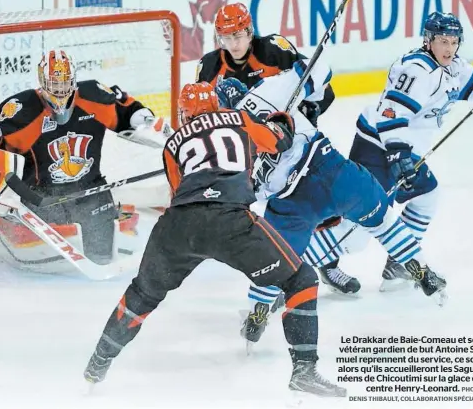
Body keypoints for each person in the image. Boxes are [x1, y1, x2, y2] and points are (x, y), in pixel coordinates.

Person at [83, 82, 346, 397]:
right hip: (230, 222)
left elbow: (178, 190)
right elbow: (280, 142)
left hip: (179, 227)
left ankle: (97, 364)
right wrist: (280, 122)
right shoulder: (239, 119)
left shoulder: (173, 145)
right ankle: (304, 371)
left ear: (185, 113)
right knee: (300, 279)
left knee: (142, 294)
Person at [214, 61, 447, 345]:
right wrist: (306, 99)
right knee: (382, 219)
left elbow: (251, 194)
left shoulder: (227, 146)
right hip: (330, 170)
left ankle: (256, 315)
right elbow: (321, 72)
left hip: (291, 203)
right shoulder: (270, 88)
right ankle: (421, 269)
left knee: (273, 259)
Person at [307, 11, 473, 289]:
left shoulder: (454, 66)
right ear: (428, 41)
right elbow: (391, 114)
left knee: (427, 195)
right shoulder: (417, 71)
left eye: (454, 41)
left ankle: (398, 264)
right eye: (442, 41)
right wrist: (398, 156)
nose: (449, 48)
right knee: (359, 230)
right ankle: (298, 267)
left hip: (403, 150)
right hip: (378, 148)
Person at [0, 49, 171, 264]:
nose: (60, 89)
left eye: (65, 82)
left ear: (73, 79)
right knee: (55, 258)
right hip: (41, 197)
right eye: (54, 84)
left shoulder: (94, 96)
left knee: (104, 253)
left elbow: (127, 110)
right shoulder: (21, 109)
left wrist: (145, 121)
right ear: (42, 81)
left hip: (91, 188)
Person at [199, 2, 347, 293]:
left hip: (289, 141)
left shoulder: (274, 49)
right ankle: (276, 280)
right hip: (248, 150)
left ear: (250, 31)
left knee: (314, 205)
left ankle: (327, 264)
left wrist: (309, 111)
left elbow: (319, 86)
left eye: (239, 35)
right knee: (266, 219)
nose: (235, 43)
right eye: (227, 38)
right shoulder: (209, 66)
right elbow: (204, 115)